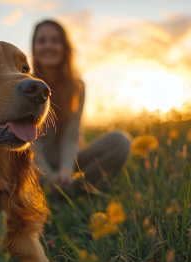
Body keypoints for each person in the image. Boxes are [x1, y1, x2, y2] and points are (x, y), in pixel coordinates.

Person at [31, 20, 132, 196]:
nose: (48, 46)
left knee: (120, 142)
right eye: (42, 40)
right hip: (33, 164)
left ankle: (67, 188)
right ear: (34, 47)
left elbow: (72, 135)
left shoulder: (76, 87)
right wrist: (47, 176)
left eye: (55, 40)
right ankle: (54, 189)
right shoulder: (26, 85)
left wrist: (65, 171)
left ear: (64, 46)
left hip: (68, 162)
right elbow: (31, 142)